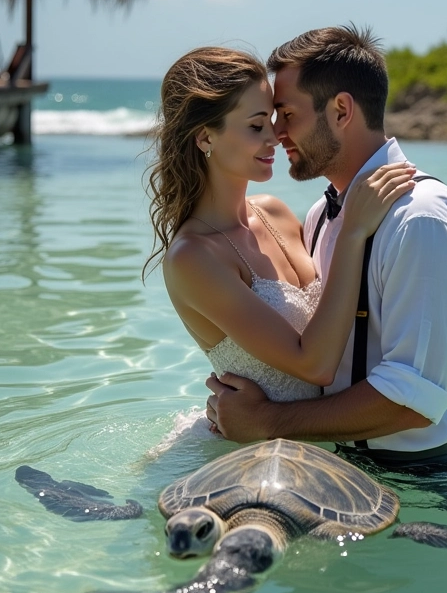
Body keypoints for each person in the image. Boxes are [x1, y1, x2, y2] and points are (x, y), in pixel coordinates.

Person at [206, 25, 447, 474]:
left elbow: (414, 400)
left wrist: (268, 421)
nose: (276, 133)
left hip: (419, 481)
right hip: (329, 466)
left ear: (341, 110)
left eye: (287, 114)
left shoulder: (421, 220)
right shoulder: (321, 214)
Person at [144, 47, 415, 432]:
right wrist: (353, 231)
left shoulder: (276, 213)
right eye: (257, 126)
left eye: (273, 119)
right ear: (205, 137)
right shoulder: (194, 257)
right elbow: (315, 366)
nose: (276, 136)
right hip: (244, 455)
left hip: (320, 447)